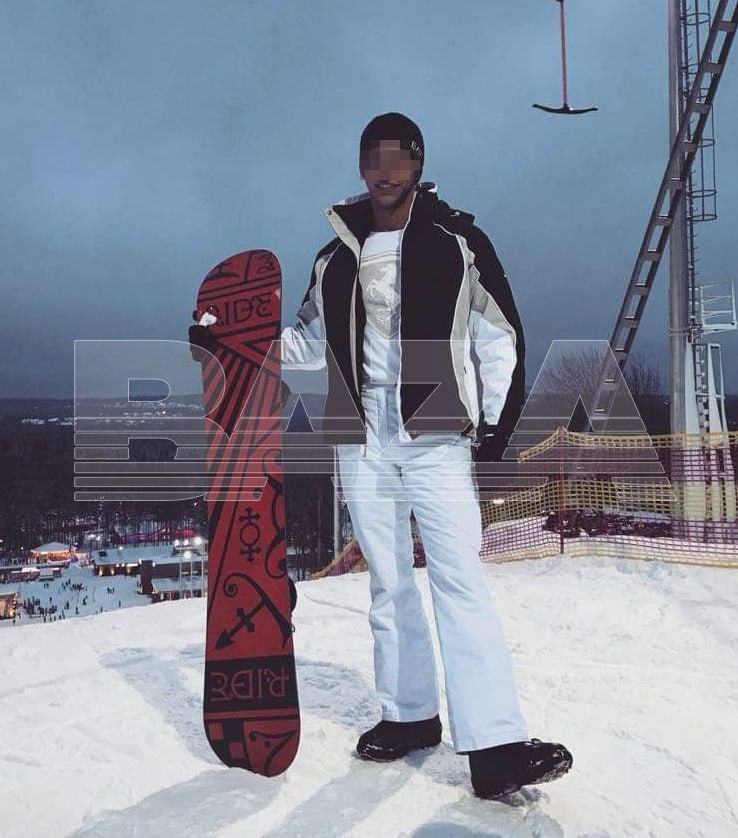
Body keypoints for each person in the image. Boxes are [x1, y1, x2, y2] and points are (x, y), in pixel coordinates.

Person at [279, 112, 572, 799]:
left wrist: (495, 431)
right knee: (387, 579)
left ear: (418, 164)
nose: (386, 172)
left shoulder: (456, 240)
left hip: (437, 432)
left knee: (458, 579)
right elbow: (306, 343)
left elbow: (500, 336)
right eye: (374, 158)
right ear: (361, 166)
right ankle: (408, 715)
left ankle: (495, 747)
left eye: (399, 158)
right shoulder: (334, 256)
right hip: (359, 433)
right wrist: (233, 344)